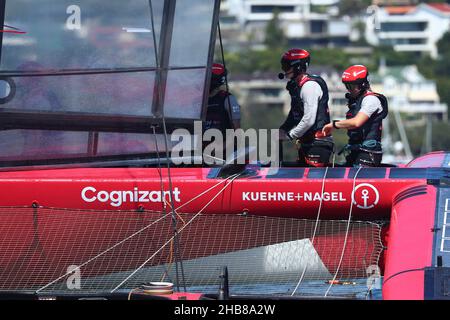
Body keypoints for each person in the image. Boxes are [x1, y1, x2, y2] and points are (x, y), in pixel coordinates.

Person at [322, 65, 388, 167]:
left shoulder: (371, 100)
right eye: (347, 86)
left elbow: (357, 122)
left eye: (351, 86)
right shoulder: (357, 101)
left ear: (363, 84)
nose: (349, 90)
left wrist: (334, 125)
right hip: (355, 150)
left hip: (367, 153)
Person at [279, 48, 333, 167]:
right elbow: (294, 114)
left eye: (287, 66)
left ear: (298, 67)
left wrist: (289, 135)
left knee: (314, 182)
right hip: (307, 142)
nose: (284, 70)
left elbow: (309, 120)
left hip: (318, 143)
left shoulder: (309, 86)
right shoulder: (297, 87)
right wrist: (283, 129)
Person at [204, 63, 241, 135]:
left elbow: (237, 134)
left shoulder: (228, 99)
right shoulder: (198, 101)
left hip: (224, 144)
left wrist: (222, 146)